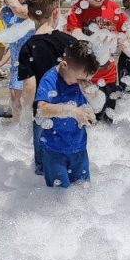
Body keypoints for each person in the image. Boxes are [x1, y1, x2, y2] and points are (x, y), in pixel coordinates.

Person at [18, 0, 75, 175]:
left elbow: (29, 87)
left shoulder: (28, 47)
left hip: (43, 113)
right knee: (73, 159)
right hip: (70, 110)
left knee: (44, 168)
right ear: (56, 12)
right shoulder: (69, 41)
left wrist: (26, 110)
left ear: (29, 15)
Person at [66, 0, 128, 121]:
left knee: (108, 123)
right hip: (84, 79)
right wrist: (91, 40)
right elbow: (74, 36)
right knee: (86, 122)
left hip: (109, 77)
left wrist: (124, 41)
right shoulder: (77, 9)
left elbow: (126, 34)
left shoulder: (115, 9)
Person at [35, 40, 100, 189]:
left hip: (79, 148)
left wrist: (89, 111)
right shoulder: (50, 79)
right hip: (54, 151)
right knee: (60, 196)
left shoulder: (78, 80)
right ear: (64, 65)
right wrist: (71, 110)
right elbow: (42, 109)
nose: (81, 83)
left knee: (83, 192)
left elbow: (86, 104)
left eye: (85, 80)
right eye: (79, 79)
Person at [0, 0, 35, 122]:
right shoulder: (7, 12)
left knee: (28, 98)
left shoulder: (29, 10)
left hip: (31, 63)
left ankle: (30, 125)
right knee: (14, 98)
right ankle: (16, 127)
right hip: (16, 63)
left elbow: (19, 10)